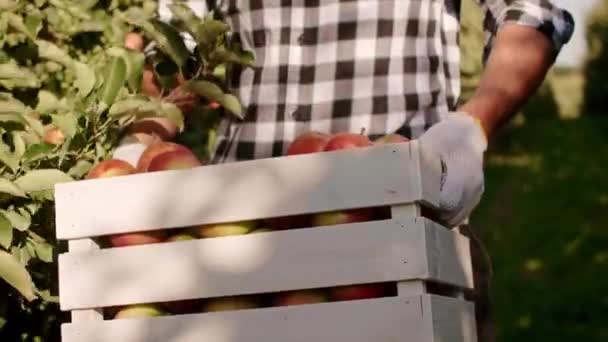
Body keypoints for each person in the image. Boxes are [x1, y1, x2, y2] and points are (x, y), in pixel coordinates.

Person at [147, 0, 574, 341]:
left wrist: (471, 126)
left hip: (399, 225)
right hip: (241, 242)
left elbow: (533, 14)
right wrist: (142, 138)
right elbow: (171, 44)